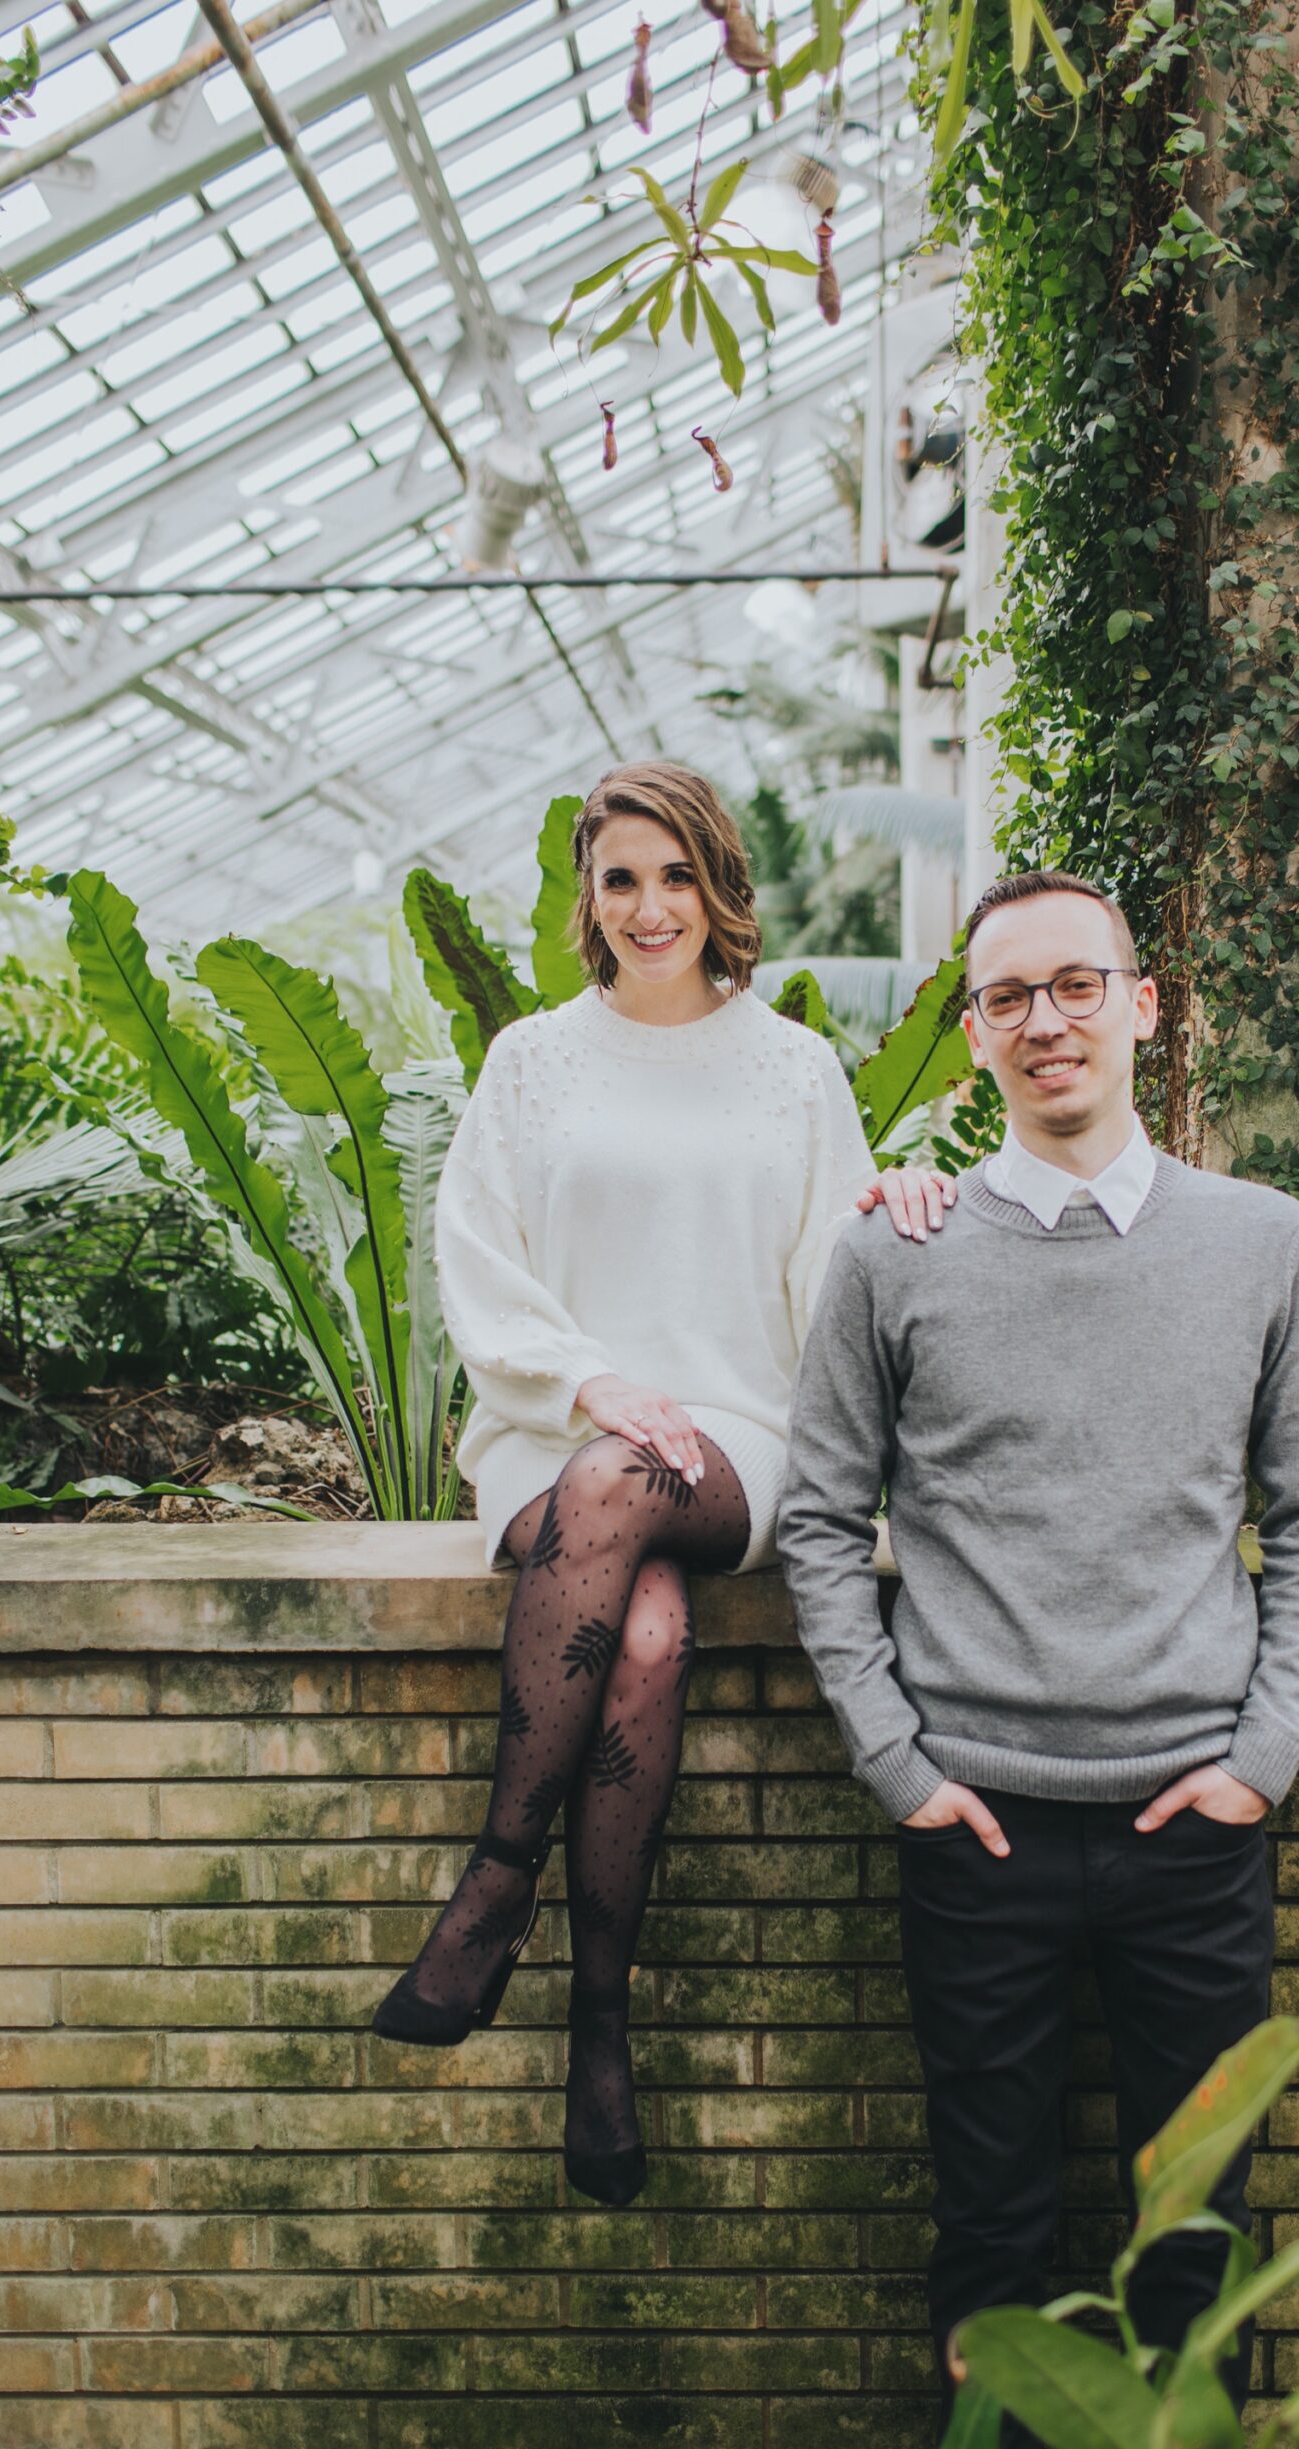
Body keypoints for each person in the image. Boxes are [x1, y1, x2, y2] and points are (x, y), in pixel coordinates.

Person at [777, 867, 1299, 2449]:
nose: (1044, 1021)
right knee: (991, 2243)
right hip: (978, 1827)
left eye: (1075, 986)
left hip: (1197, 1827)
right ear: (972, 1035)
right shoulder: (895, 1256)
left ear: (1141, 1005)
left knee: (1195, 2244)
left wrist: (1262, 1761)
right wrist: (896, 1768)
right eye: (1007, 997)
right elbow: (821, 1523)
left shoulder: (1261, 1243)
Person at [372, 760, 951, 2209]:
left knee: (630, 1484)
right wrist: (588, 1383)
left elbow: (832, 1277)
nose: (648, 908)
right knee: (641, 1635)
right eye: (620, 878)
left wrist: (908, 1215)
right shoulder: (534, 1062)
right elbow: (478, 1263)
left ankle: (498, 1882)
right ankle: (599, 2033)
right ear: (590, 896)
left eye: (675, 875)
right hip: (549, 1427)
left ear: (719, 889)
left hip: (739, 1431)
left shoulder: (793, 1069)